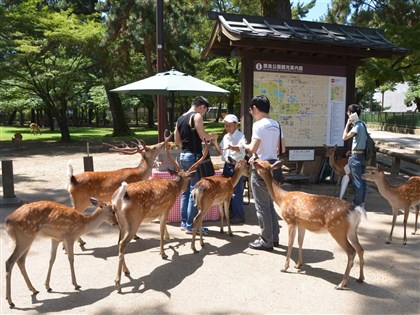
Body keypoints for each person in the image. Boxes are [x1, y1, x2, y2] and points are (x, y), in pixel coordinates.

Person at [242, 95, 285, 251]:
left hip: (261, 168)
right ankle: (274, 237)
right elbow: (282, 149)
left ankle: (266, 239)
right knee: (270, 204)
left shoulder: (258, 125)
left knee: (262, 206)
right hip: (274, 166)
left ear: (255, 108)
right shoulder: (276, 124)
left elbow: (253, 148)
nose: (251, 112)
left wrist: (244, 145)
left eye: (251, 110)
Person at [174, 96, 218, 234]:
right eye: (205, 111)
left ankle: (184, 222)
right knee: (195, 191)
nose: (203, 114)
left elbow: (177, 140)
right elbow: (203, 136)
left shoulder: (180, 118)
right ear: (202, 107)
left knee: (186, 191)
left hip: (183, 155)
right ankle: (191, 225)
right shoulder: (197, 116)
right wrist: (213, 137)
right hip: (194, 157)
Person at [212, 114, 247, 224]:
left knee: (236, 191)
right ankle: (230, 212)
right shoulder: (226, 136)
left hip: (236, 166)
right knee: (226, 191)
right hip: (227, 166)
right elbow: (222, 152)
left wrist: (231, 147)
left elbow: (242, 149)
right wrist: (215, 143)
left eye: (229, 125)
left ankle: (239, 215)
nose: (227, 128)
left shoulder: (240, 136)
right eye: (226, 125)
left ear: (235, 125)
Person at [342, 103, 367, 208]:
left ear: (351, 113)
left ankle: (358, 203)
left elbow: (344, 137)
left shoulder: (356, 126)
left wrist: (347, 125)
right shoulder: (363, 124)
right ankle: (362, 202)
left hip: (356, 158)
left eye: (348, 112)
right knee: (362, 180)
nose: (347, 114)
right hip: (361, 156)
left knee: (357, 181)